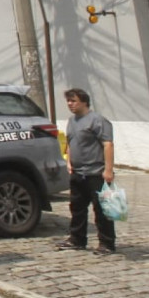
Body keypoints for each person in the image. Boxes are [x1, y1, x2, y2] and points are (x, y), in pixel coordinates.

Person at [57, 88, 116, 255]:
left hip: (96, 172)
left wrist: (108, 170)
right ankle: (77, 239)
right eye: (68, 101)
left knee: (102, 210)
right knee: (77, 208)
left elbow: (108, 144)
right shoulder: (71, 121)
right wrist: (69, 162)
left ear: (84, 101)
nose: (70, 104)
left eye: (73, 101)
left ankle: (106, 243)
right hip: (78, 172)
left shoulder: (97, 120)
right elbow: (70, 143)